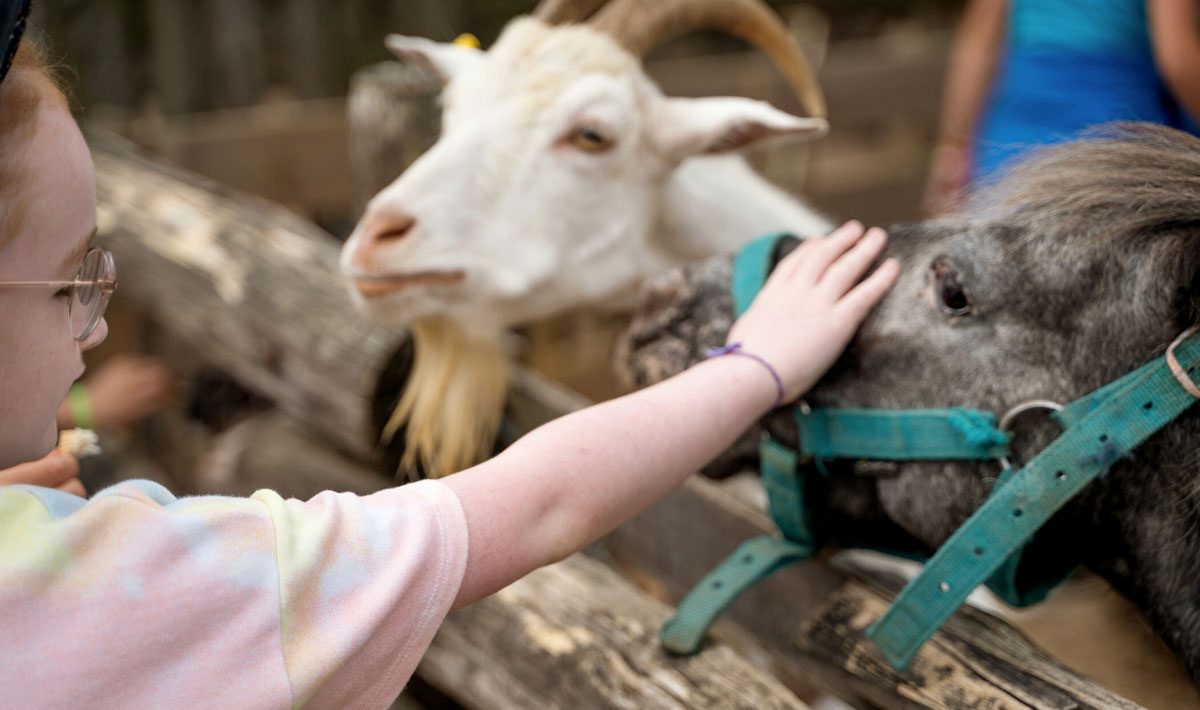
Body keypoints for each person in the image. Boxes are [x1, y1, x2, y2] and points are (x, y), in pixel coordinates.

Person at [0, 14, 900, 710]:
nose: (98, 326)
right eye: (73, 280)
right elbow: (540, 506)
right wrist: (755, 365)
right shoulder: (127, 590)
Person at [924, 0, 1200, 216]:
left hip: (1011, 147)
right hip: (1115, 143)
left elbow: (979, 42)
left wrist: (954, 148)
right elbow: (1178, 59)